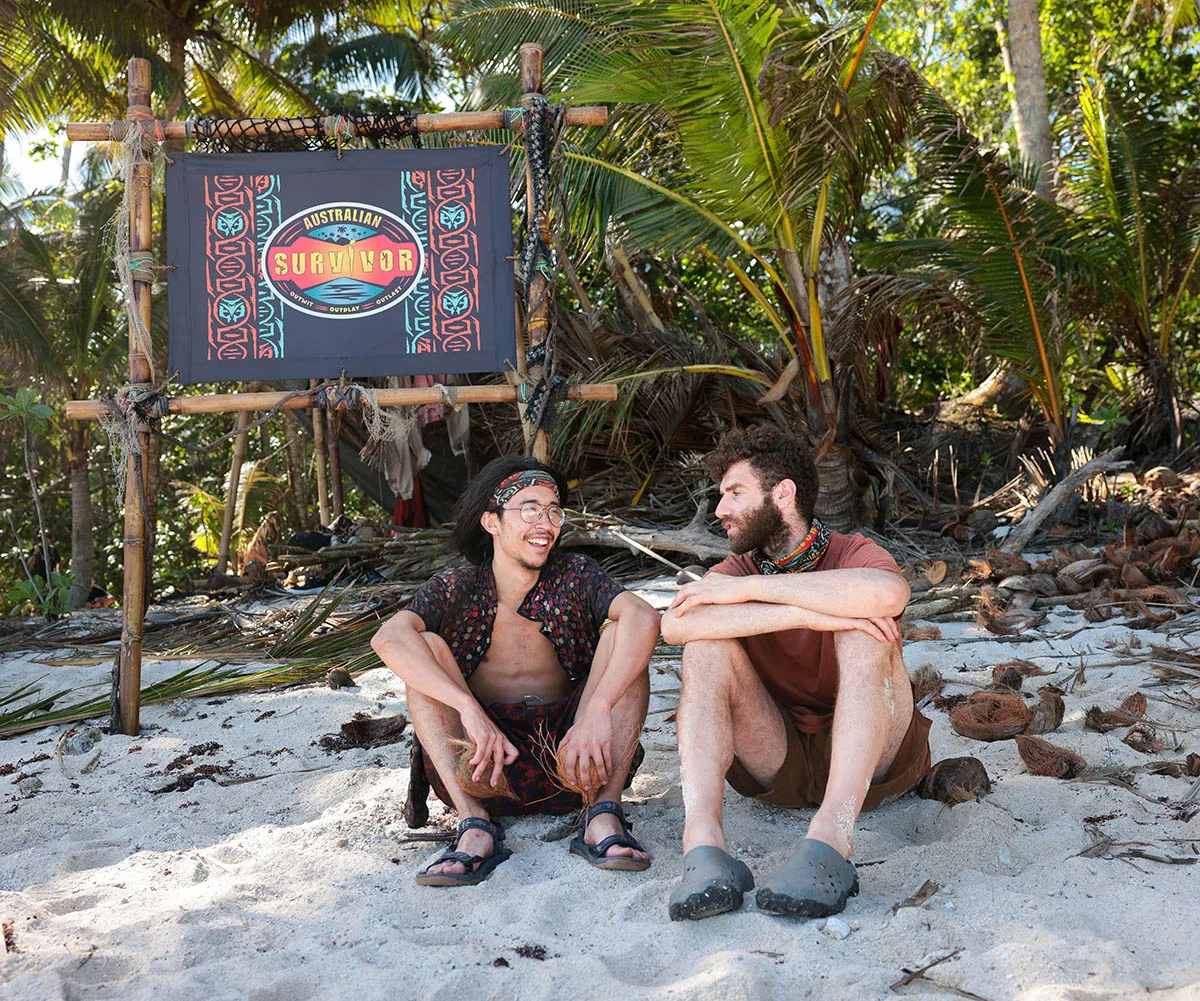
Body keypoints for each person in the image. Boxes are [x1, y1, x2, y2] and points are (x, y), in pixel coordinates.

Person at [660, 425, 931, 920]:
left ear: (782, 493)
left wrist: (748, 595)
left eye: (734, 493)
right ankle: (704, 845)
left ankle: (832, 840)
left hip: (876, 765)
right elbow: (675, 625)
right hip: (778, 761)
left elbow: (888, 595)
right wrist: (806, 613)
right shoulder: (735, 573)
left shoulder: (851, 553)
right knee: (704, 647)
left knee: (865, 631)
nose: (720, 510)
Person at [371, 456, 661, 886]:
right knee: (425, 646)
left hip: (575, 762)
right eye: (530, 508)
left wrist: (598, 708)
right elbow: (388, 638)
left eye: (553, 510)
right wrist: (467, 707)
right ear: (492, 522)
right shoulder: (457, 587)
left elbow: (644, 616)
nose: (545, 521)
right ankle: (474, 827)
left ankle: (603, 815)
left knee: (623, 635)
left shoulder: (576, 576)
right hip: (486, 765)